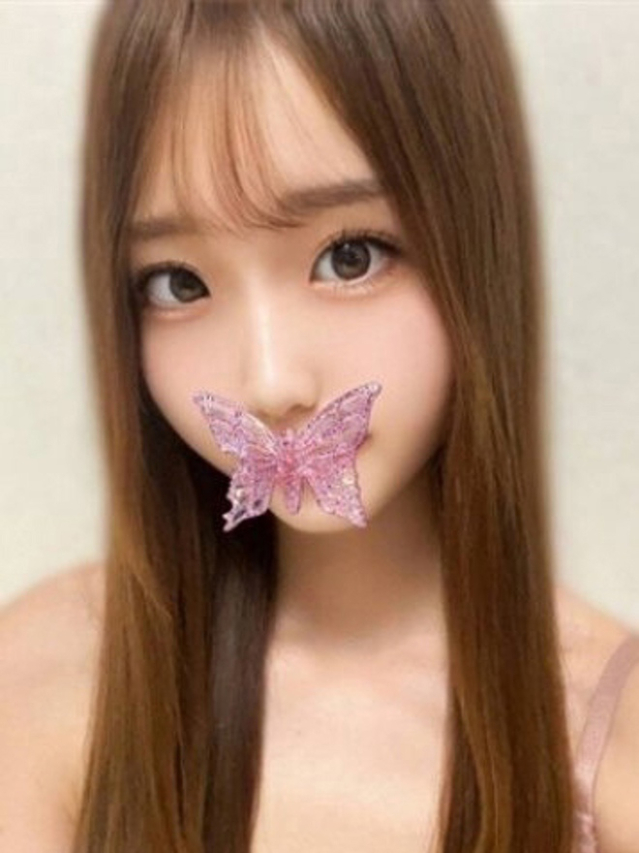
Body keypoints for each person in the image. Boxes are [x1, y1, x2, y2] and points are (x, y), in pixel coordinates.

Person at [0, 1, 637, 851]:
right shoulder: (42, 679)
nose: (269, 383)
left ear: (474, 242)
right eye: (179, 283)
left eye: (349, 257)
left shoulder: (609, 745)